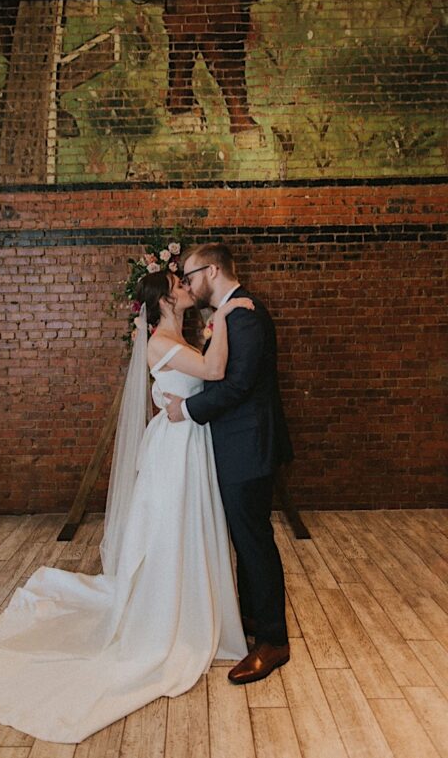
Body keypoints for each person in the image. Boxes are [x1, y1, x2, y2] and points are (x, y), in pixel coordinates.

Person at [0, 269, 252, 743]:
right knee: (171, 529)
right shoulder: (159, 342)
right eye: (180, 284)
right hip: (175, 449)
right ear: (166, 298)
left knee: (187, 527)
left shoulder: (172, 334)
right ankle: (170, 614)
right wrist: (225, 315)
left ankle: (194, 604)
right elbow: (213, 372)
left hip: (187, 440)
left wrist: (214, 324)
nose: (189, 288)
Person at [164, 243, 293, 684]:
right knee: (243, 536)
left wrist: (188, 410)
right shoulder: (229, 316)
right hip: (236, 445)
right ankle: (253, 620)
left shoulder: (246, 315)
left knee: (254, 540)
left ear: (212, 271)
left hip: (250, 446)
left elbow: (238, 386)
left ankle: (273, 641)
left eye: (190, 274)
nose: (186, 283)